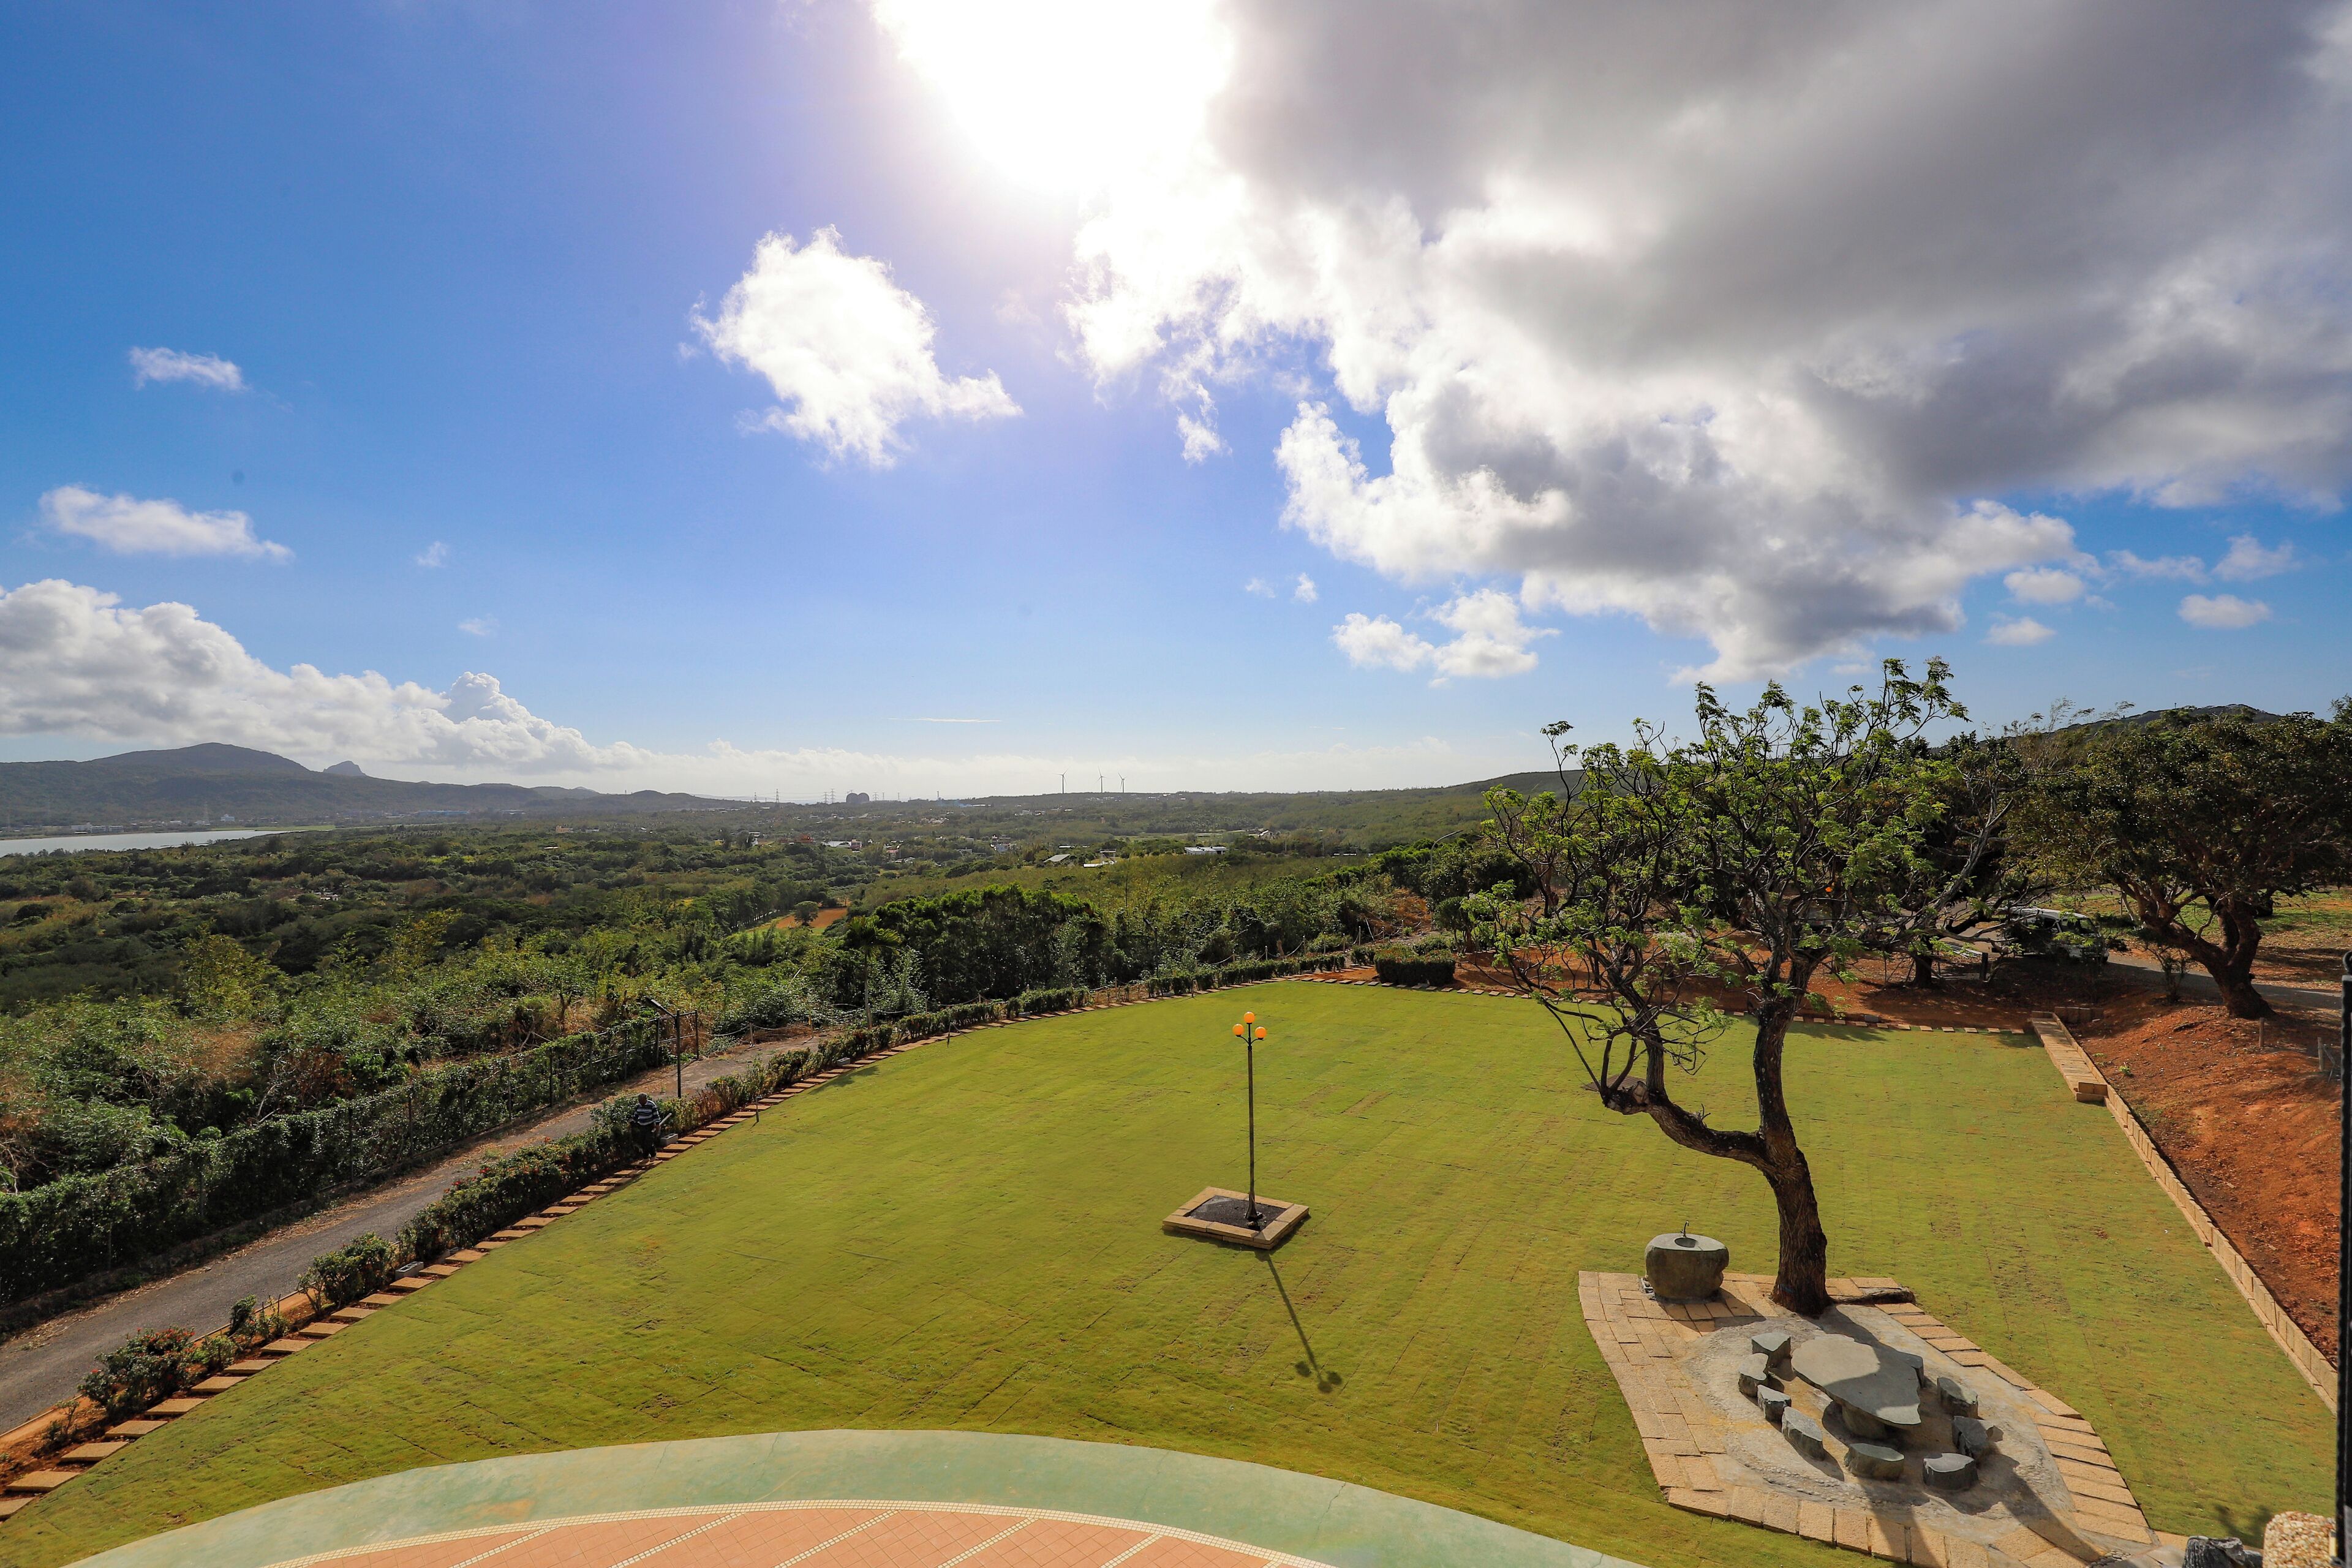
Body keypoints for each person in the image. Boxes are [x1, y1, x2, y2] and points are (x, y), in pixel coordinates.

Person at [627, 1093, 664, 1158]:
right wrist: (632, 1122)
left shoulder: (651, 1105)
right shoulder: (638, 1106)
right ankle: (647, 1156)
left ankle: (651, 1155)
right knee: (642, 1142)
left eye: (642, 1100)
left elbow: (656, 1115)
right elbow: (636, 1116)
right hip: (642, 1126)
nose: (640, 1102)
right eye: (639, 1100)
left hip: (650, 1126)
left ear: (645, 1099)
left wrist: (657, 1124)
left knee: (648, 1142)